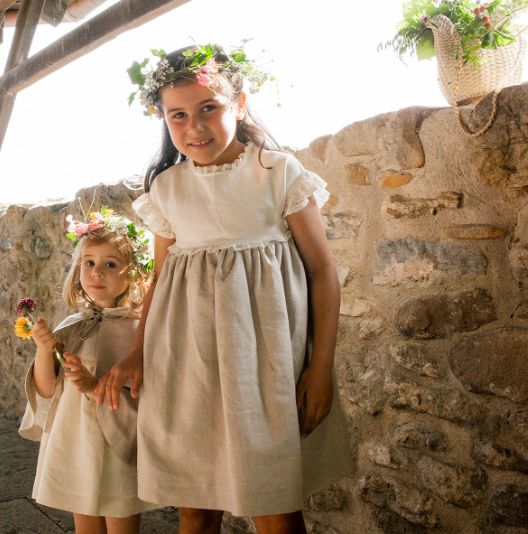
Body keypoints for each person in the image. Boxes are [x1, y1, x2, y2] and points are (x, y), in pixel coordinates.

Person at [96, 44, 354, 533]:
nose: (194, 127)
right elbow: (162, 278)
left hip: (264, 368)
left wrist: (321, 368)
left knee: (273, 503)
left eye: (207, 108)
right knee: (194, 505)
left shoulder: (277, 174)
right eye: (178, 115)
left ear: (237, 104)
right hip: (185, 365)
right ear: (164, 119)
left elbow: (322, 271)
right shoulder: (167, 189)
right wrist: (137, 353)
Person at [18, 208, 157, 534]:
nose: (97, 273)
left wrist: (95, 384)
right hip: (77, 439)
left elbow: (144, 393)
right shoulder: (73, 325)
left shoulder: (139, 332)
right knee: (86, 525)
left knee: (122, 520)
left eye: (111, 264)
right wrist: (43, 350)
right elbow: (47, 389)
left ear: (134, 273)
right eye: (89, 263)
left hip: (117, 445)